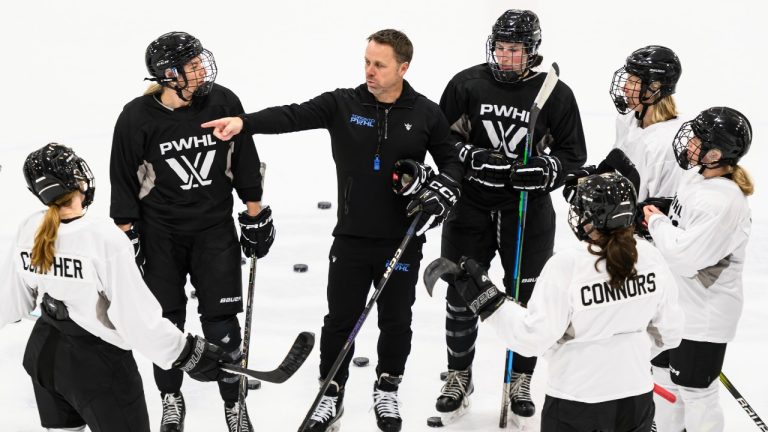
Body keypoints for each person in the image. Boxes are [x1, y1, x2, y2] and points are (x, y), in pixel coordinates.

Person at [202, 29, 463, 432]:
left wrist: (443, 188)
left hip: (403, 239)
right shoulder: (343, 103)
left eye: (379, 65)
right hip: (352, 238)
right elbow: (293, 114)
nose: (370, 71)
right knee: (340, 319)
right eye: (366, 62)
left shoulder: (426, 114)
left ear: (403, 67)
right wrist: (244, 123)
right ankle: (331, 392)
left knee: (396, 320)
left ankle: (387, 387)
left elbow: (452, 163)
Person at [0, 143, 233, 432]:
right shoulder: (103, 238)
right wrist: (185, 353)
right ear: (74, 181)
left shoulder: (29, 227)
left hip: (43, 357)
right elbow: (135, 320)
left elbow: (11, 305)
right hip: (99, 368)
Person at [109, 31, 275, 432]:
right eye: (192, 64)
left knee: (223, 323)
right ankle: (171, 397)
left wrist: (255, 213)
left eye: (201, 60)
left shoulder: (223, 101)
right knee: (165, 323)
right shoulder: (137, 117)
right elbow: (124, 181)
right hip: (159, 236)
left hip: (214, 231)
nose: (203, 68)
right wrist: (126, 235)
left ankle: (234, 404)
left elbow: (245, 159)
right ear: (168, 75)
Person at [434, 9, 587, 421]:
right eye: (500, 48)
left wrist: (547, 170)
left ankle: (519, 377)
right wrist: (472, 155)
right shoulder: (467, 83)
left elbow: (574, 156)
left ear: (532, 50)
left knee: (527, 297)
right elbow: (439, 140)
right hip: (470, 204)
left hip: (527, 209)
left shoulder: (556, 93)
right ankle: (459, 375)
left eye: (515, 50)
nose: (505, 57)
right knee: (461, 289)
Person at [446, 172, 684, 432]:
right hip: (636, 397)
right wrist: (625, 354)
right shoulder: (650, 256)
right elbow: (670, 333)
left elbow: (532, 337)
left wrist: (488, 302)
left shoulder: (568, 265)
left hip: (576, 400)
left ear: (592, 218)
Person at [642, 107, 753, 432]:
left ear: (716, 153)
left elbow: (685, 257)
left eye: (698, 139)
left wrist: (656, 221)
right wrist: (661, 210)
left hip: (703, 318)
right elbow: (683, 219)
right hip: (675, 309)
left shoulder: (724, 202)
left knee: (697, 396)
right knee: (663, 383)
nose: (688, 142)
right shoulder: (696, 176)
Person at [608, 45, 683, 201]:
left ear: (654, 87)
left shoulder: (666, 145)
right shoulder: (627, 119)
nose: (624, 88)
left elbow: (659, 209)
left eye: (632, 81)